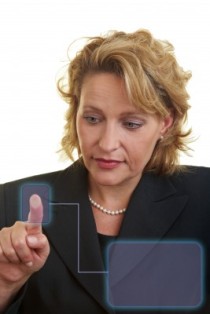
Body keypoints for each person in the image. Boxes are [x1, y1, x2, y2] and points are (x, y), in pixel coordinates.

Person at [0, 29, 210, 314]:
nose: (107, 143)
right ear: (75, 114)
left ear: (165, 123)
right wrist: (5, 283)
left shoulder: (205, 199)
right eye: (93, 118)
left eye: (131, 124)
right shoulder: (8, 203)